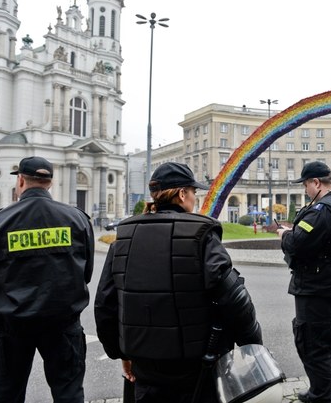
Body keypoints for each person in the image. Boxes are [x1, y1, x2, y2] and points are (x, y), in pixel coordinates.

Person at [95, 162, 262, 403]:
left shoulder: (123, 237)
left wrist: (120, 352)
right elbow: (234, 297)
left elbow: (105, 304)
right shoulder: (202, 233)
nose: (195, 198)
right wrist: (253, 345)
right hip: (197, 366)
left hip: (145, 364)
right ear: (182, 194)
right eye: (194, 192)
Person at [0, 156, 94, 403]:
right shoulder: (77, 219)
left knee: (3, 395)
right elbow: (87, 272)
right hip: (63, 323)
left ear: (20, 180)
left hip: (12, 323)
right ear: (50, 183)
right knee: (69, 394)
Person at [277, 161, 331, 403]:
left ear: (316, 182)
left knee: (314, 346)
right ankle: (322, 390)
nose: (305, 190)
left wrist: (284, 234)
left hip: (318, 284)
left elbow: (298, 244)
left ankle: (323, 396)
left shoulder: (321, 210)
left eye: (306, 185)